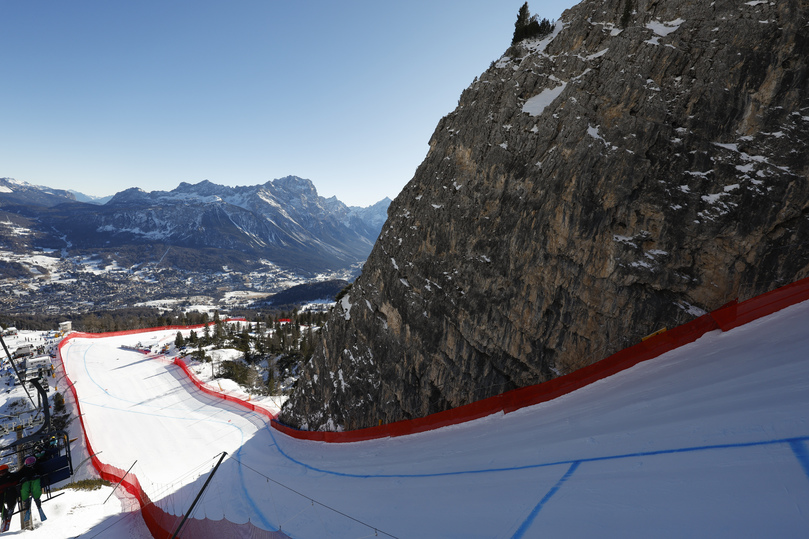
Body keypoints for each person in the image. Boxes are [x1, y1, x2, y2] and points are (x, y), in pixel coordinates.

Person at [18, 456, 46, 523]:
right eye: (29, 464)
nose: (30, 466)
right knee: (24, 489)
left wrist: (38, 475)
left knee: (35, 487)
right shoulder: (24, 469)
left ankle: (37, 501)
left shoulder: (37, 466)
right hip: (27, 481)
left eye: (32, 464)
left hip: (35, 479)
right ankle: (26, 503)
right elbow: (19, 475)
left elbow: (41, 471)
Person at [0, 464, 18, 531]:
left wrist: (8, 487)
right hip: (2, 493)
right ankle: (4, 513)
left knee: (11, 495)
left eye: (3, 472)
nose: (2, 474)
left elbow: (15, 482)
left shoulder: (10, 476)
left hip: (10, 491)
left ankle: (10, 508)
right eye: (0, 472)